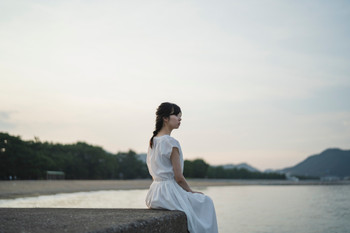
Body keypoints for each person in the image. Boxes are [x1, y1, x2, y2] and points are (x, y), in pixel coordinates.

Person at [145, 102, 218, 233]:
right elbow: (178, 178)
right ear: (165, 118)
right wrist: (190, 191)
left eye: (180, 116)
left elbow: (154, 173)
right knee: (206, 201)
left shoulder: (153, 141)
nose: (180, 119)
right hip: (169, 193)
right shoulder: (171, 142)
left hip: (154, 193)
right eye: (176, 115)